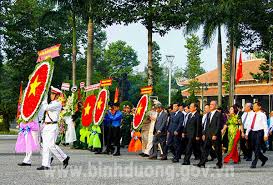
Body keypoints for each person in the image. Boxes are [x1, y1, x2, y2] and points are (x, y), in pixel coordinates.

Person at [37, 86, 70, 170]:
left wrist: (43, 98)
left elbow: (45, 108)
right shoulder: (52, 103)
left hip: (52, 126)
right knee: (45, 146)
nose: (51, 95)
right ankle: (45, 164)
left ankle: (64, 157)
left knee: (51, 145)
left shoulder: (57, 103)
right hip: (47, 126)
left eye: (53, 94)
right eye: (51, 93)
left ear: (57, 95)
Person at [195, 100, 222, 169]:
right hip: (208, 135)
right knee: (205, 149)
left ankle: (219, 163)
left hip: (215, 135)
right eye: (210, 104)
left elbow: (218, 125)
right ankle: (202, 163)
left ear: (216, 106)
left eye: (212, 104)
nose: (211, 105)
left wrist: (215, 134)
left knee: (217, 150)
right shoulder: (208, 114)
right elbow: (206, 125)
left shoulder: (218, 114)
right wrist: (204, 133)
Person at [245, 102, 269, 168]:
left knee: (257, 147)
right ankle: (264, 158)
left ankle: (254, 163)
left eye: (255, 106)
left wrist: (265, 135)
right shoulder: (252, 114)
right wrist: (247, 133)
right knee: (253, 147)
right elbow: (250, 124)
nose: (254, 107)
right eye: (253, 106)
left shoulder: (262, 115)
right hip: (253, 132)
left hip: (260, 132)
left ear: (259, 107)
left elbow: (265, 125)